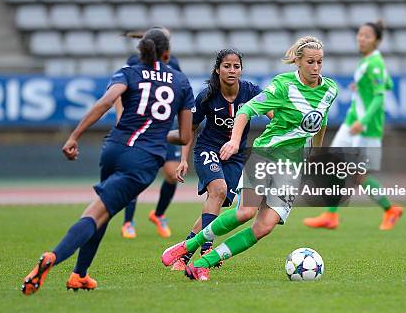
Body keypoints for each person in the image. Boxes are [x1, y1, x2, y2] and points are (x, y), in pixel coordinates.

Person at [21, 28, 194, 294]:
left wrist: (74, 136)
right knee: (96, 214)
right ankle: (53, 258)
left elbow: (105, 103)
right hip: (144, 160)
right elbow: (184, 136)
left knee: (103, 211)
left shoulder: (129, 71)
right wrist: (157, 134)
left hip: (114, 148)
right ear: (168, 54)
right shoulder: (181, 82)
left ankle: (79, 275)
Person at [161, 36, 338, 281]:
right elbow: (245, 111)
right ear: (297, 62)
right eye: (310, 62)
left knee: (264, 227)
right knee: (245, 211)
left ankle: (204, 263)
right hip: (267, 155)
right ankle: (187, 246)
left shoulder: (330, 89)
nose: (316, 68)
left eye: (320, 62)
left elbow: (321, 122)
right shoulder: (282, 86)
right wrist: (234, 141)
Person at [171, 48, 272, 271]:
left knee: (216, 204)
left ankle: (184, 254)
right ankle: (207, 249)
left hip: (235, 157)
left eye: (236, 66)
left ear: (241, 70)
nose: (232, 70)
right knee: (218, 190)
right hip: (208, 150)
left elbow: (273, 115)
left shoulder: (251, 91)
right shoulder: (206, 96)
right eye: (227, 66)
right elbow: (190, 130)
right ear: (218, 70)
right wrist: (184, 159)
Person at [303, 20, 402, 231]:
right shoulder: (368, 61)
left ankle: (390, 209)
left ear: (377, 41)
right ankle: (331, 215)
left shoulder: (375, 64)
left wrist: (363, 122)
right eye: (359, 34)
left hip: (363, 126)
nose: (361, 38)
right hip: (352, 122)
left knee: (358, 175)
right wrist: (361, 86)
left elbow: (379, 98)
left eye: (366, 35)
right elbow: (389, 84)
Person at [115, 32, 183, 239]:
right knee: (136, 173)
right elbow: (119, 92)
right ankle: (128, 222)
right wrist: (120, 118)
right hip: (141, 126)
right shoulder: (134, 62)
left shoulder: (173, 62)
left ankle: (159, 214)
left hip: (164, 126)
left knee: (172, 175)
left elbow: (179, 91)